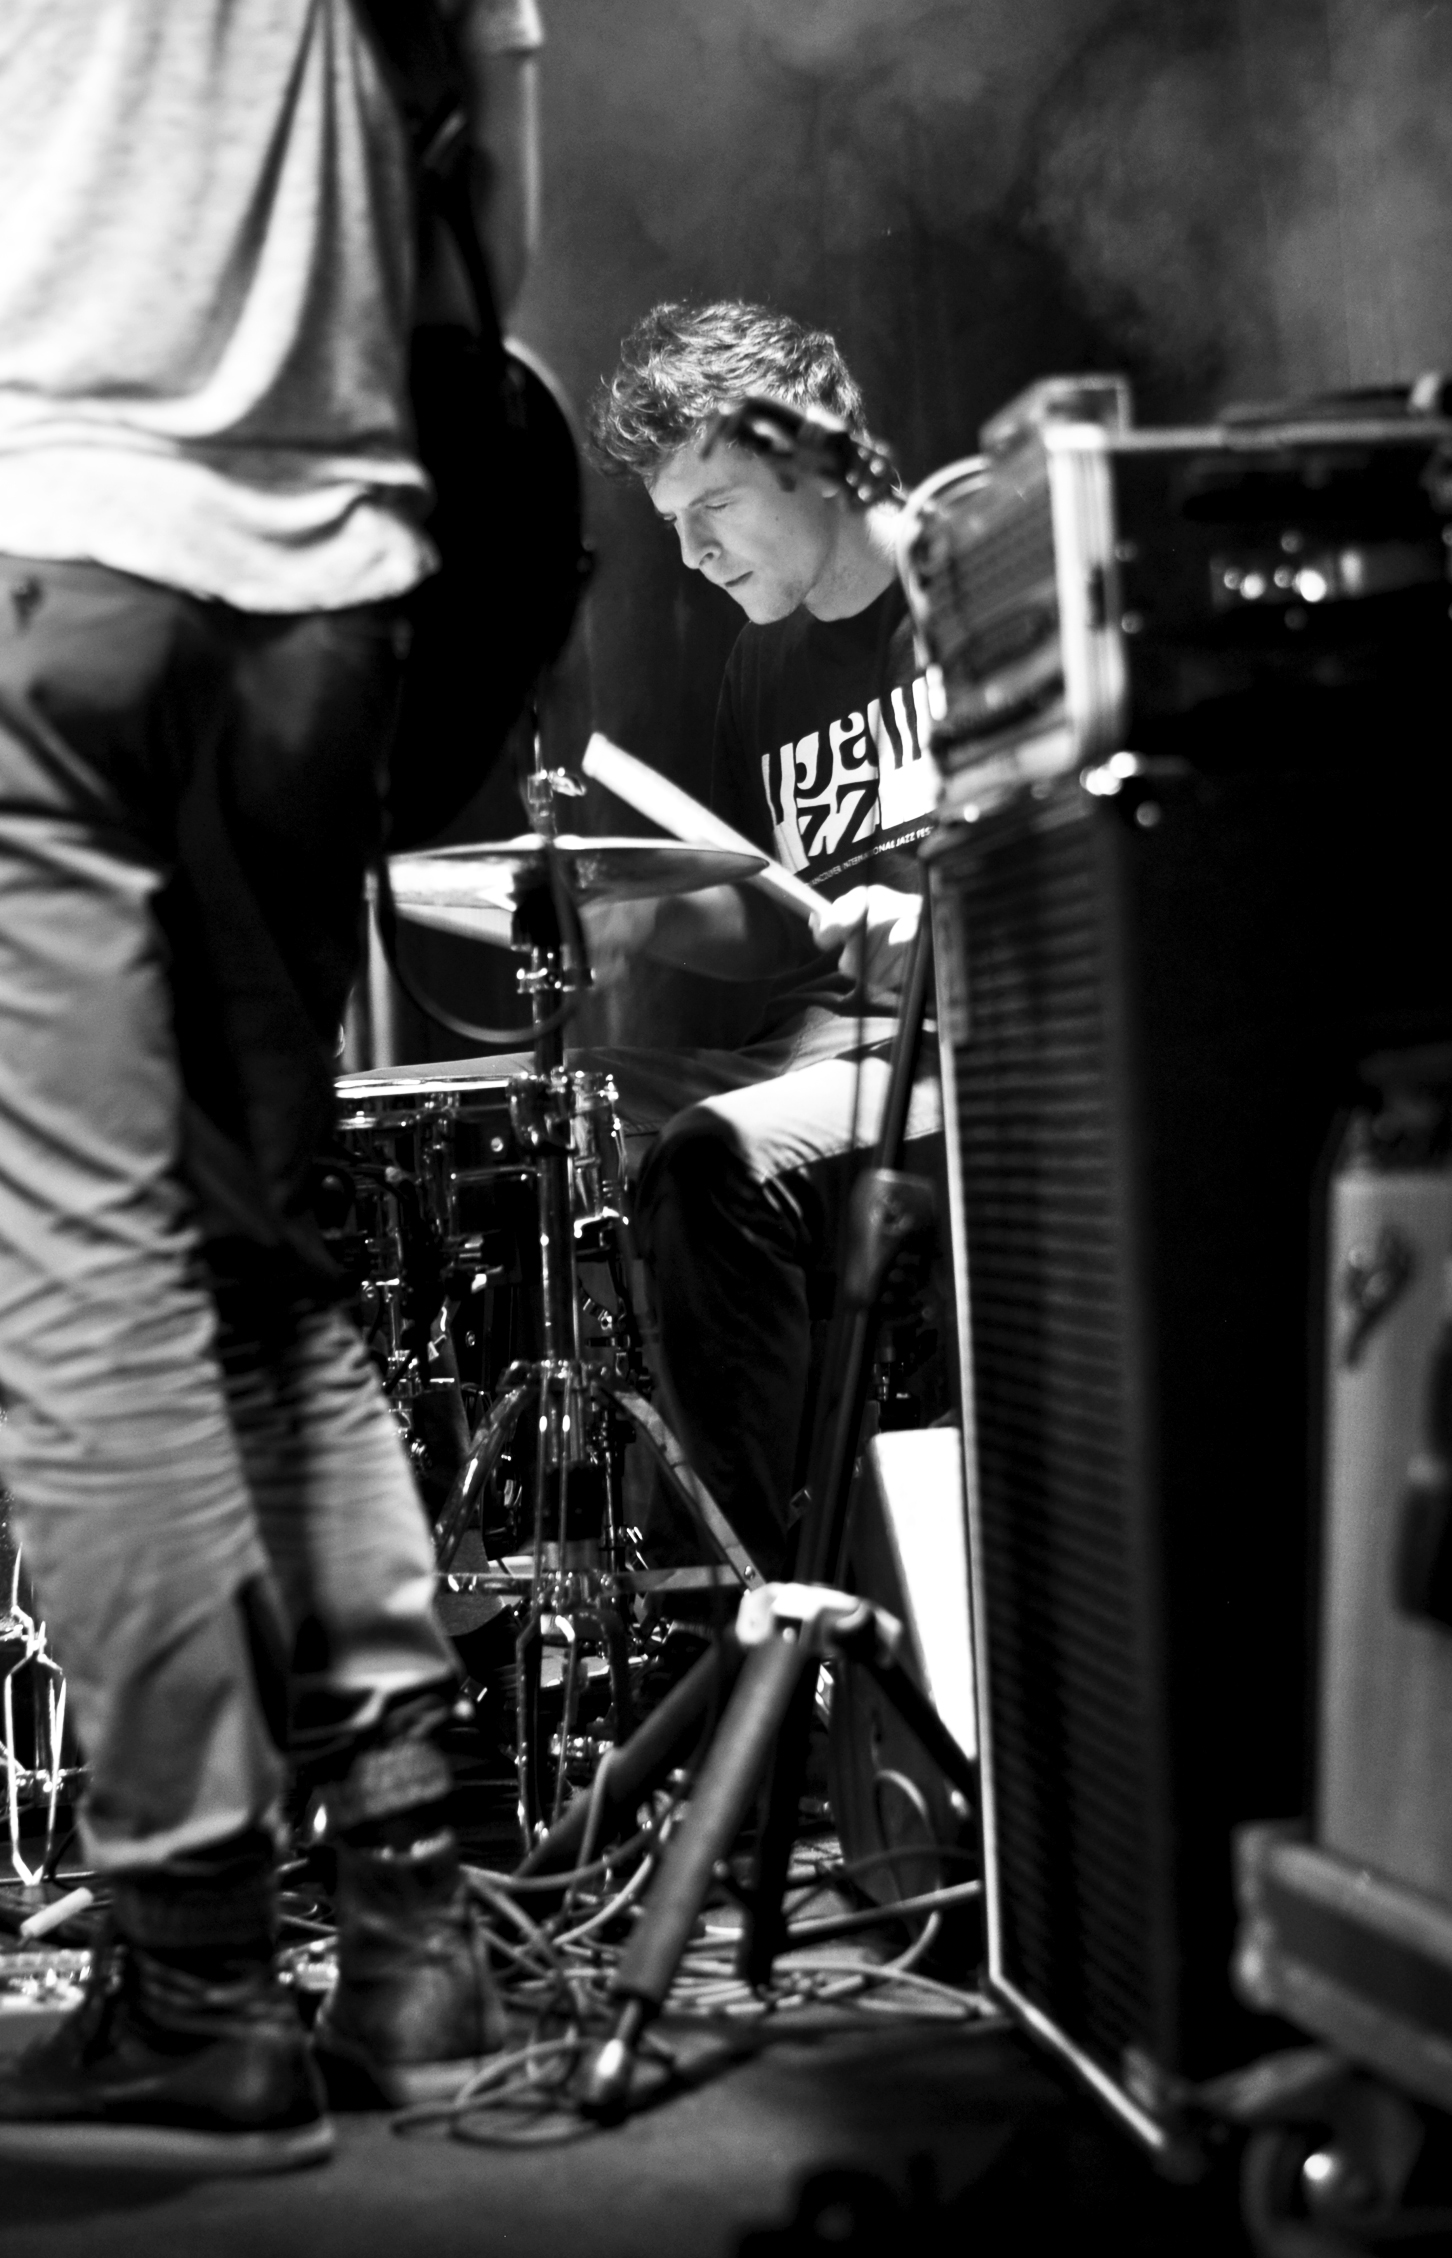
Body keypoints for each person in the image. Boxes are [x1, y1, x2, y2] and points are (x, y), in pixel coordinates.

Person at [0, 0, 541, 2172]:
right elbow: (489, 215)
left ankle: (196, 1974)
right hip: (323, 590)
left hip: (28, 539)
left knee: (82, 1292)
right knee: (258, 1271)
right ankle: (412, 1943)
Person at [583, 301, 948, 1580]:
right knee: (567, 1116)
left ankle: (767, 1612)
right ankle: (630, 1565)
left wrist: (937, 925)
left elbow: (1095, 872)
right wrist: (626, 908)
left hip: (961, 1050)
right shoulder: (763, 661)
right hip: (820, 1050)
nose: (691, 557)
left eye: (713, 508)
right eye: (671, 524)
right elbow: (777, 911)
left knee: (711, 1158)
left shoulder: (970, 592)